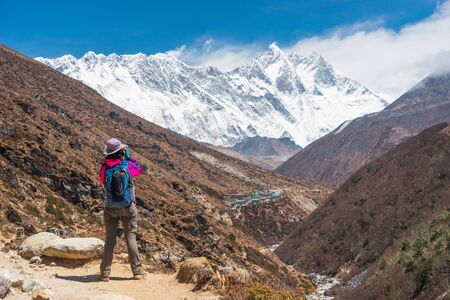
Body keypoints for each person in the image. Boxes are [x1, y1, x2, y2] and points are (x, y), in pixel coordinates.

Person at [98, 138, 144, 281]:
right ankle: (136, 272)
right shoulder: (127, 165)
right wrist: (130, 158)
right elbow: (139, 170)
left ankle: (105, 274)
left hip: (110, 208)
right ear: (121, 151)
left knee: (110, 241)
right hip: (127, 207)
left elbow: (102, 181)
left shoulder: (104, 168)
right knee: (130, 237)